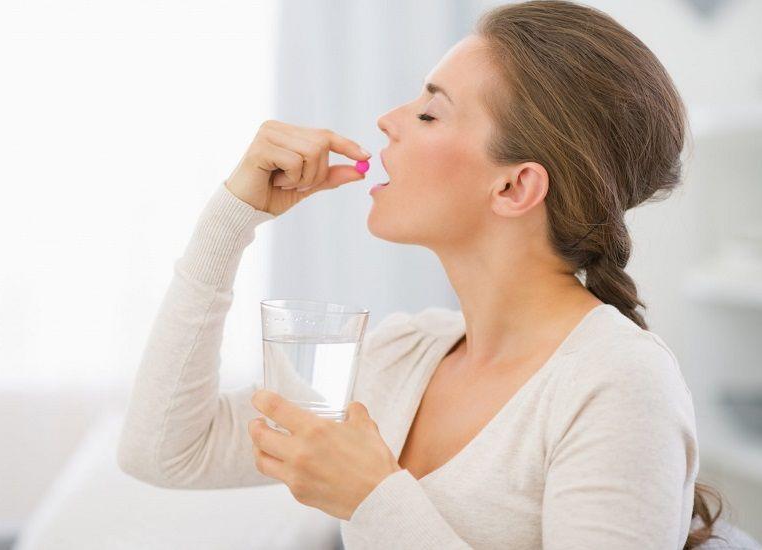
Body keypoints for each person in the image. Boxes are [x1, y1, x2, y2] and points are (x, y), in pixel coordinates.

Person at [117, 1, 724, 547]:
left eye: (431, 113)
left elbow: (375, 507)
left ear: (514, 187)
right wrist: (231, 219)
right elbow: (167, 451)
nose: (388, 119)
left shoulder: (618, 383)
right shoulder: (404, 356)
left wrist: (374, 501)